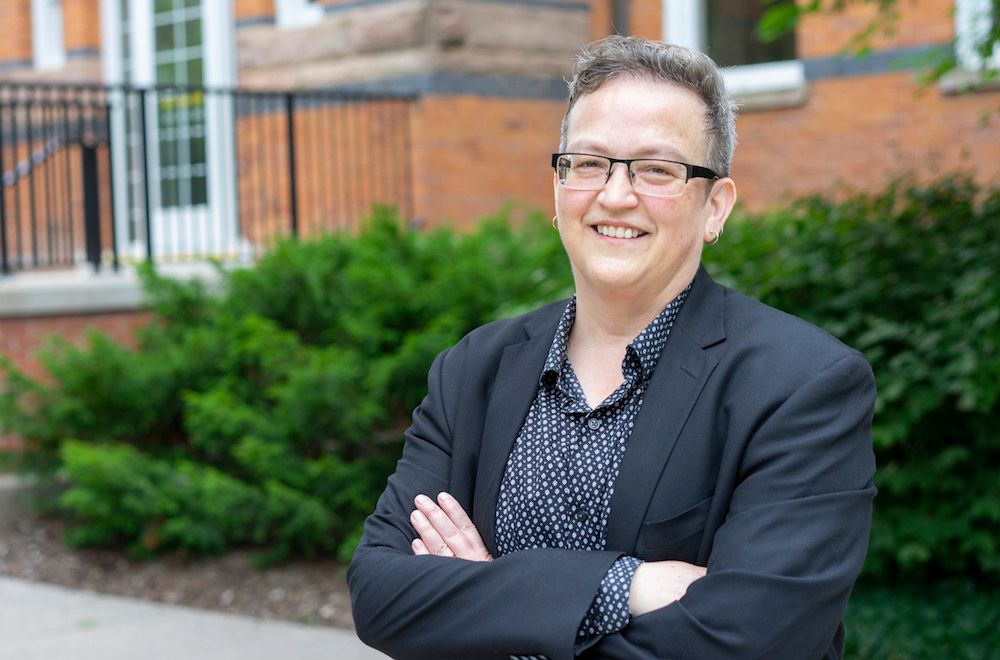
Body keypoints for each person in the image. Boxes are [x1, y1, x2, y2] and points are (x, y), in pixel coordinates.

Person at [348, 35, 876, 660]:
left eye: (658, 169)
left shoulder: (803, 383)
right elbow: (381, 593)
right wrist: (627, 586)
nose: (616, 195)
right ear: (558, 188)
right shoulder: (475, 369)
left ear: (715, 207)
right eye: (590, 162)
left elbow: (750, 639)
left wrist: (489, 602)